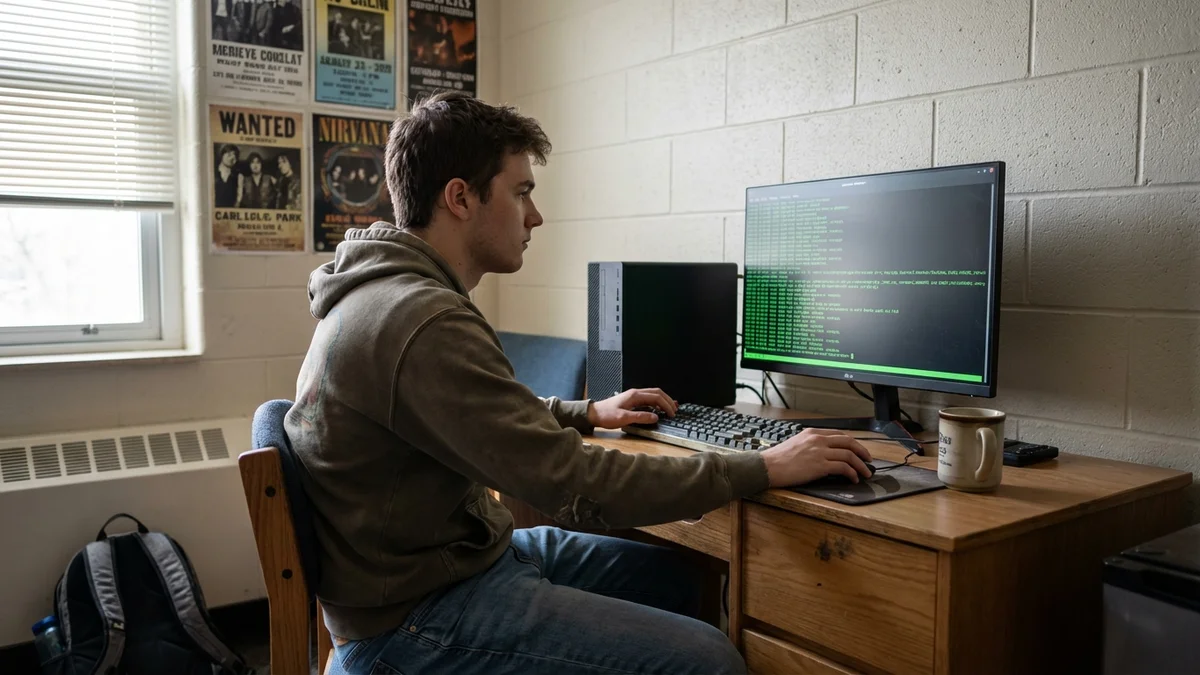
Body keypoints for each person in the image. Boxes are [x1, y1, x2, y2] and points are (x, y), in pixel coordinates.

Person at [286, 91, 874, 675]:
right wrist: (764, 465)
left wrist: (587, 413)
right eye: (521, 193)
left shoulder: (384, 296)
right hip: (414, 620)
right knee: (709, 659)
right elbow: (575, 482)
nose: (535, 216)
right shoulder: (423, 321)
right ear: (460, 198)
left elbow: (482, 415)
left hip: (445, 567)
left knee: (678, 577)